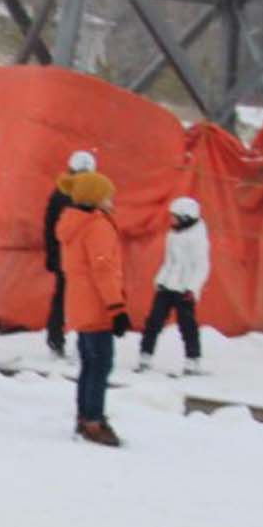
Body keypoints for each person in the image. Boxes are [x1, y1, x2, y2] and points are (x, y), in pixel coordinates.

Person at [58, 171, 130, 447]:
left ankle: (84, 415)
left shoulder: (71, 223)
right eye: (107, 196)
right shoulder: (96, 225)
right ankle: (93, 421)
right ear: (96, 198)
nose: (111, 201)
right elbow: (103, 269)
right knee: (100, 365)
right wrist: (116, 307)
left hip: (79, 302)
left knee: (89, 363)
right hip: (97, 304)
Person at [137, 196, 210, 375]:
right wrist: (161, 280)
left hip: (184, 289)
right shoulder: (172, 235)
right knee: (153, 320)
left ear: (186, 218)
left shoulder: (198, 239)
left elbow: (202, 266)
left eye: (175, 216)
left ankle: (193, 359)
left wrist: (192, 288)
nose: (172, 220)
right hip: (167, 285)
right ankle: (145, 355)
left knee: (187, 324)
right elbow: (169, 261)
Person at [42, 150, 96, 361]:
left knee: (65, 299)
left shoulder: (61, 193)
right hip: (76, 257)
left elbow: (50, 228)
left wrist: (52, 255)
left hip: (70, 256)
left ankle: (58, 340)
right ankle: (69, 342)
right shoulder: (85, 195)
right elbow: (52, 228)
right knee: (80, 301)